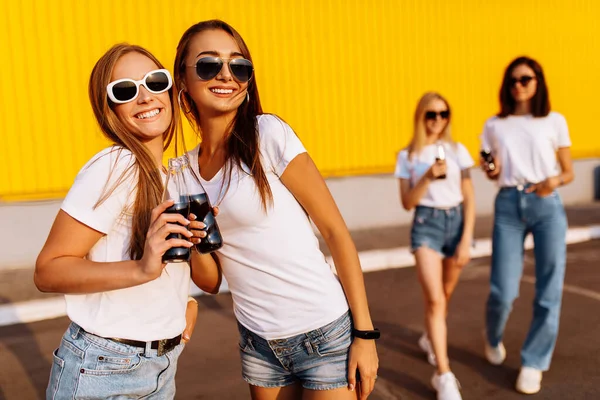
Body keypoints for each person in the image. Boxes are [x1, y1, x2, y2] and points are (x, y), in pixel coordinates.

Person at [173, 19, 379, 399]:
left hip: (324, 332)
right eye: (208, 65)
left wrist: (364, 334)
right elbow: (212, 281)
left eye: (239, 66)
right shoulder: (182, 174)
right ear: (182, 79)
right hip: (259, 344)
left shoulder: (267, 135)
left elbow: (335, 232)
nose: (226, 75)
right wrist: (196, 244)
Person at [34, 43, 202, 399]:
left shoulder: (173, 176)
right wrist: (141, 269)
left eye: (155, 82)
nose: (145, 97)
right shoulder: (115, 166)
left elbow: (199, 277)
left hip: (161, 365)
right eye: (125, 90)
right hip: (104, 368)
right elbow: (48, 270)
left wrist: (184, 306)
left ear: (171, 91)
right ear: (109, 108)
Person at [480, 56, 574, 395]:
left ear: (538, 82)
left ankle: (534, 361)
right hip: (508, 203)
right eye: (513, 80)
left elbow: (569, 171)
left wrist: (554, 182)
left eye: (526, 79)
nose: (519, 85)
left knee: (549, 289)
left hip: (546, 203)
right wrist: (490, 169)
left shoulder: (554, 120)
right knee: (502, 291)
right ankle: (492, 334)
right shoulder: (494, 124)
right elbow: (491, 167)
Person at [395, 92, 475, 400]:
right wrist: (428, 176)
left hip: (456, 224)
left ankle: (430, 337)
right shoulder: (407, 156)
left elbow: (469, 195)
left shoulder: (458, 150)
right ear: (420, 117)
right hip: (426, 225)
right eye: (431, 115)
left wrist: (467, 238)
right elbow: (407, 203)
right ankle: (443, 374)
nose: (438, 121)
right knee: (436, 300)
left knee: (444, 296)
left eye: (444, 114)